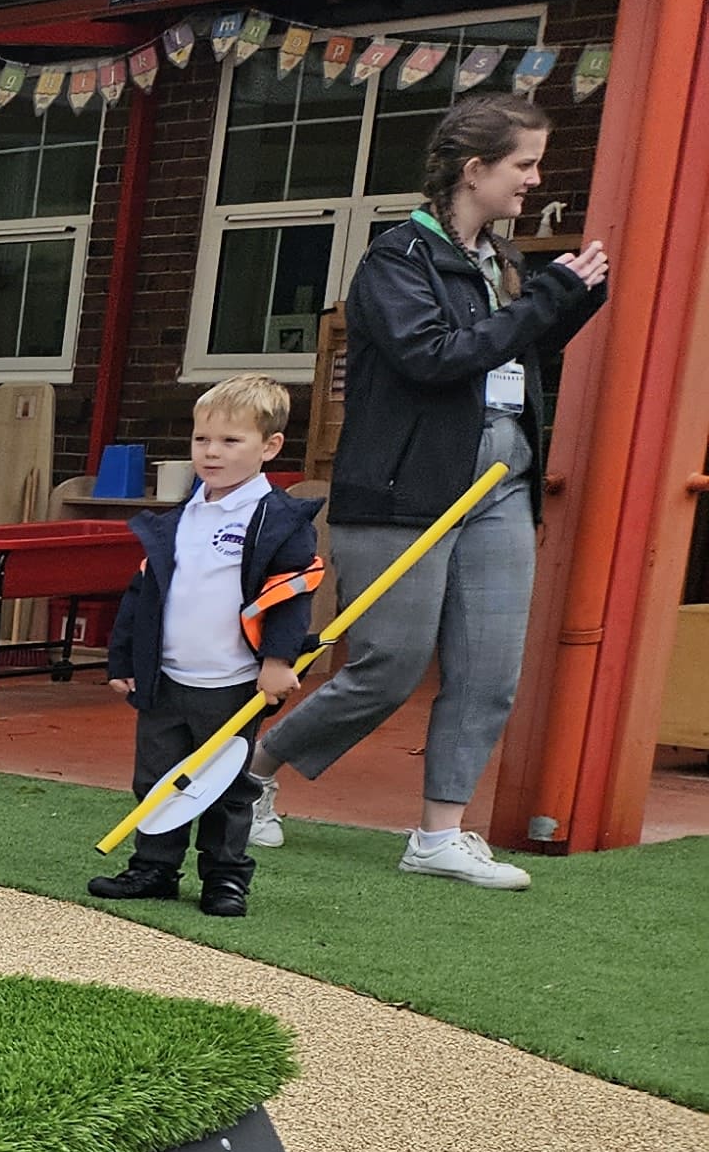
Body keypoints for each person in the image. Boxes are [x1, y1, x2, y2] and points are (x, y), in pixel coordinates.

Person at [248, 92, 608, 888]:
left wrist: (568, 304)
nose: (535, 179)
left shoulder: (505, 262)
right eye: (524, 165)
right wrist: (547, 300)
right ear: (475, 170)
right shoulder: (396, 260)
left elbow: (517, 354)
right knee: (387, 665)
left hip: (501, 485)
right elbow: (435, 358)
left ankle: (440, 834)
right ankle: (253, 775)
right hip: (404, 490)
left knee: (489, 670)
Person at [88, 378, 324, 921]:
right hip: (166, 679)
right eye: (201, 441)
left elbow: (290, 598)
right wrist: (123, 660)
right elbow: (143, 593)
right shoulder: (179, 520)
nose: (211, 453)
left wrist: (278, 662)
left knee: (226, 788)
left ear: (270, 447)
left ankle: (224, 877)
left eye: (229, 442)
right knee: (157, 779)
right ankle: (154, 867)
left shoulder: (277, 522)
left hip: (234, 683)